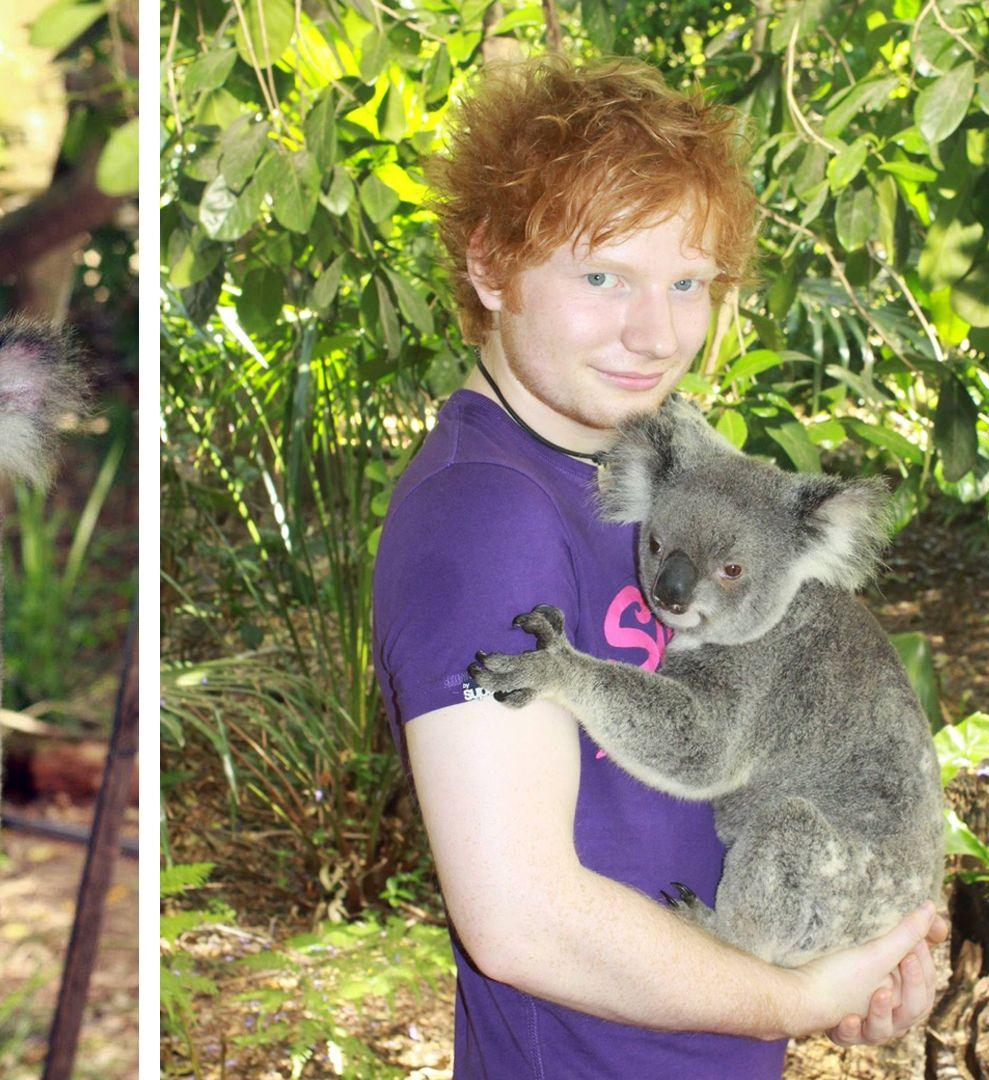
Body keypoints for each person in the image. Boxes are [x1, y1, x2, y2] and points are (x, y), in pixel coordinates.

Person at [371, 55, 948, 1077]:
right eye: (604, 278)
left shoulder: (661, 471)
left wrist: (871, 933)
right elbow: (519, 917)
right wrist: (794, 997)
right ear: (492, 266)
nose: (655, 332)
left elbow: (803, 713)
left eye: (687, 283)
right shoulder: (485, 514)